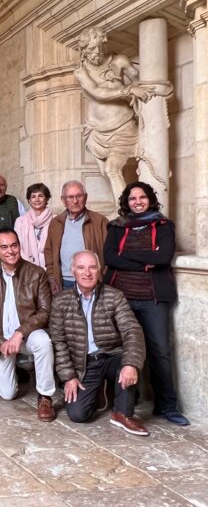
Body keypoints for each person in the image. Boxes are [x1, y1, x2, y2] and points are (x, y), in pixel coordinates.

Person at [103, 181, 189, 426]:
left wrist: (126, 258)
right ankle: (127, 402)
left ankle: (167, 406)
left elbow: (162, 257)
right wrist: (145, 262)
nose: (137, 202)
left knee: (159, 351)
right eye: (132, 199)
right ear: (126, 202)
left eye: (142, 197)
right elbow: (109, 257)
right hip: (121, 299)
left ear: (150, 199)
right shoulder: (117, 227)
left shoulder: (163, 225)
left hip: (153, 299)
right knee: (122, 350)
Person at [51, 251, 148, 435]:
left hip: (112, 356)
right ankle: (100, 390)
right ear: (73, 271)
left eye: (92, 267)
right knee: (78, 414)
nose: (87, 273)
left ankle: (122, 414)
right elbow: (58, 341)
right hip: (85, 363)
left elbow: (132, 330)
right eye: (81, 267)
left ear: (100, 271)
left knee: (127, 363)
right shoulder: (61, 301)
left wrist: (131, 364)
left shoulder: (115, 296)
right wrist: (69, 376)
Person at [0, 228, 56, 421]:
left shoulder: (37, 273)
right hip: (0, 340)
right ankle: (17, 369)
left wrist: (20, 333)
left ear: (20, 246)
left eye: (14, 245)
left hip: (27, 336)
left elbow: (45, 311)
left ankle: (45, 396)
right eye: (4, 247)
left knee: (43, 341)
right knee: (8, 394)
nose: (10, 251)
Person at [74, 26, 154, 202]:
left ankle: (126, 214)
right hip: (96, 131)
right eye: (90, 49)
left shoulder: (120, 61)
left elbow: (142, 82)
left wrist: (140, 91)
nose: (95, 52)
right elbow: (97, 92)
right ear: (83, 50)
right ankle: (122, 207)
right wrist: (128, 90)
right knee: (106, 172)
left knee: (112, 169)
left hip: (122, 126)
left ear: (104, 44)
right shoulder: (81, 71)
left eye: (98, 47)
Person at [44, 180, 108, 294]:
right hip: (64, 282)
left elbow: (108, 253)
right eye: (70, 197)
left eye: (79, 196)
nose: (75, 201)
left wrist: (102, 278)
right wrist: (52, 277)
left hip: (91, 281)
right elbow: (49, 252)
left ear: (86, 197)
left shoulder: (99, 221)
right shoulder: (56, 223)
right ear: (63, 200)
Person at [13, 183, 55, 269]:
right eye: (33, 196)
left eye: (40, 196)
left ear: (47, 199)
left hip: (51, 267)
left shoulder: (55, 220)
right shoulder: (20, 221)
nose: (37, 199)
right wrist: (29, 266)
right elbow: (18, 246)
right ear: (29, 200)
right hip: (27, 267)